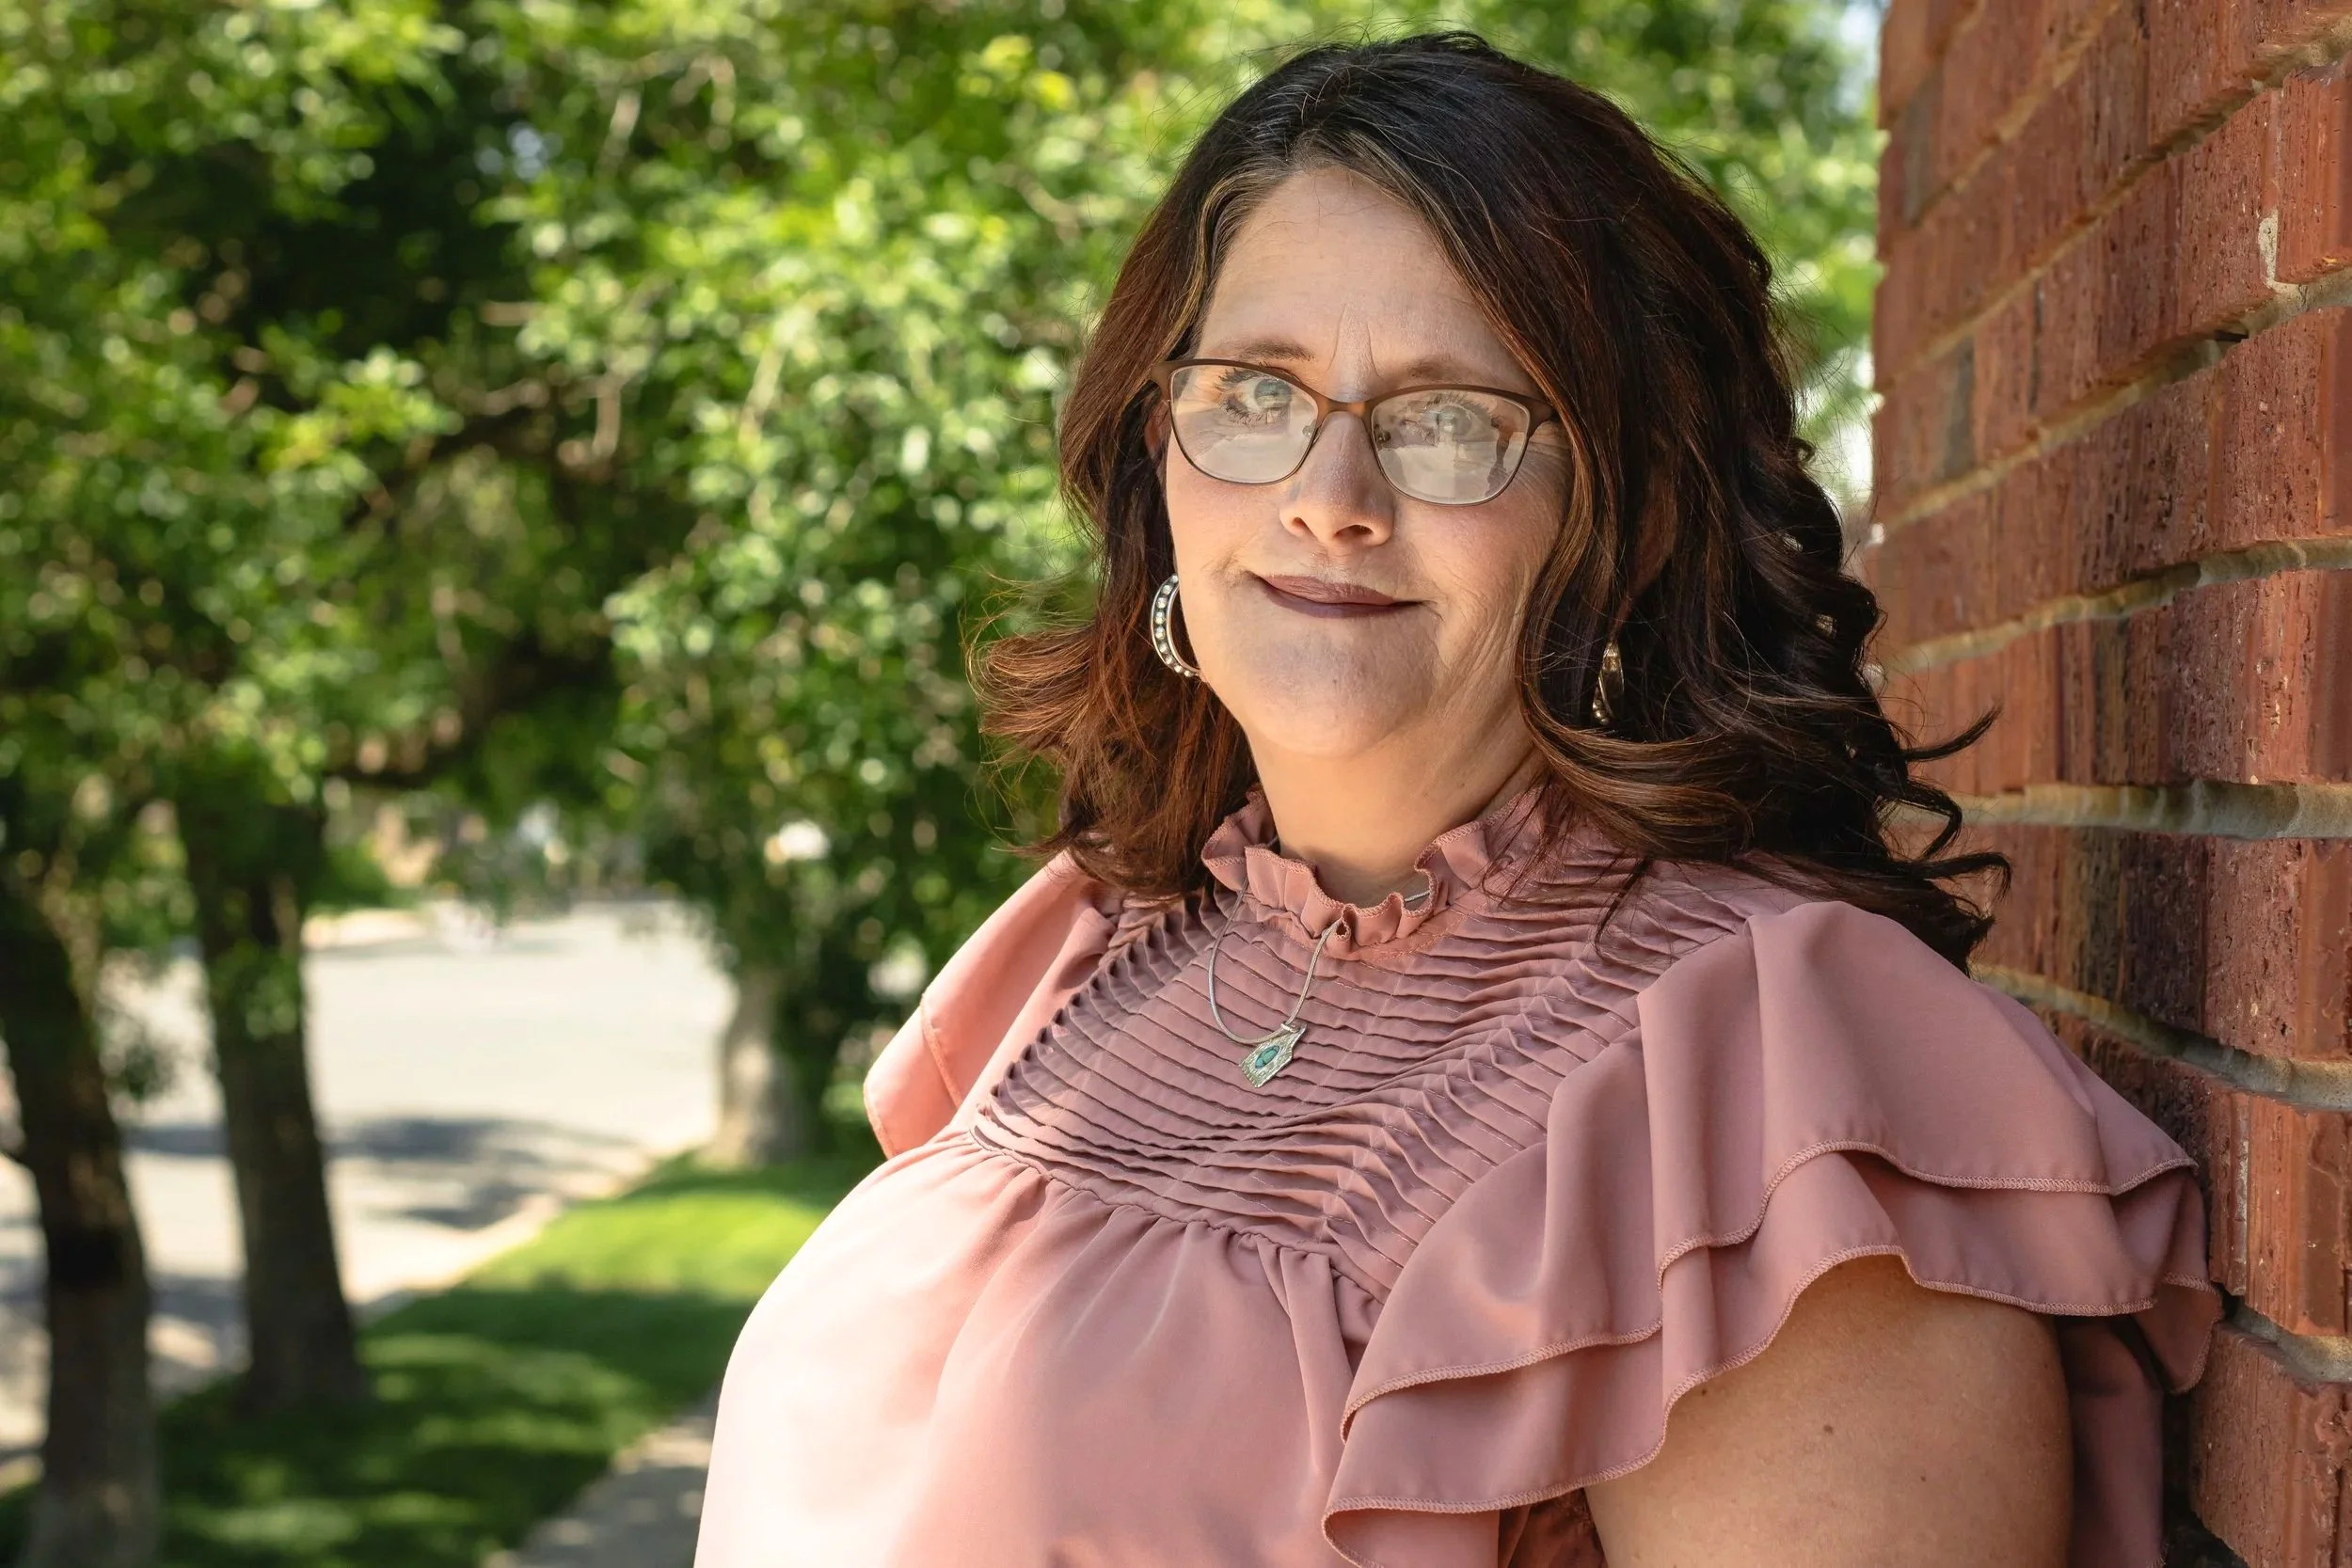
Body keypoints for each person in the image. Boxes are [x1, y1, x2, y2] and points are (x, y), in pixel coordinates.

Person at [694, 33, 2219, 1568]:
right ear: (1160, 451)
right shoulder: (1097, 945)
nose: (1329, 495)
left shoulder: (1747, 1093)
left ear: (1620, 519)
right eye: (1253, 390)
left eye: (1448, 419)